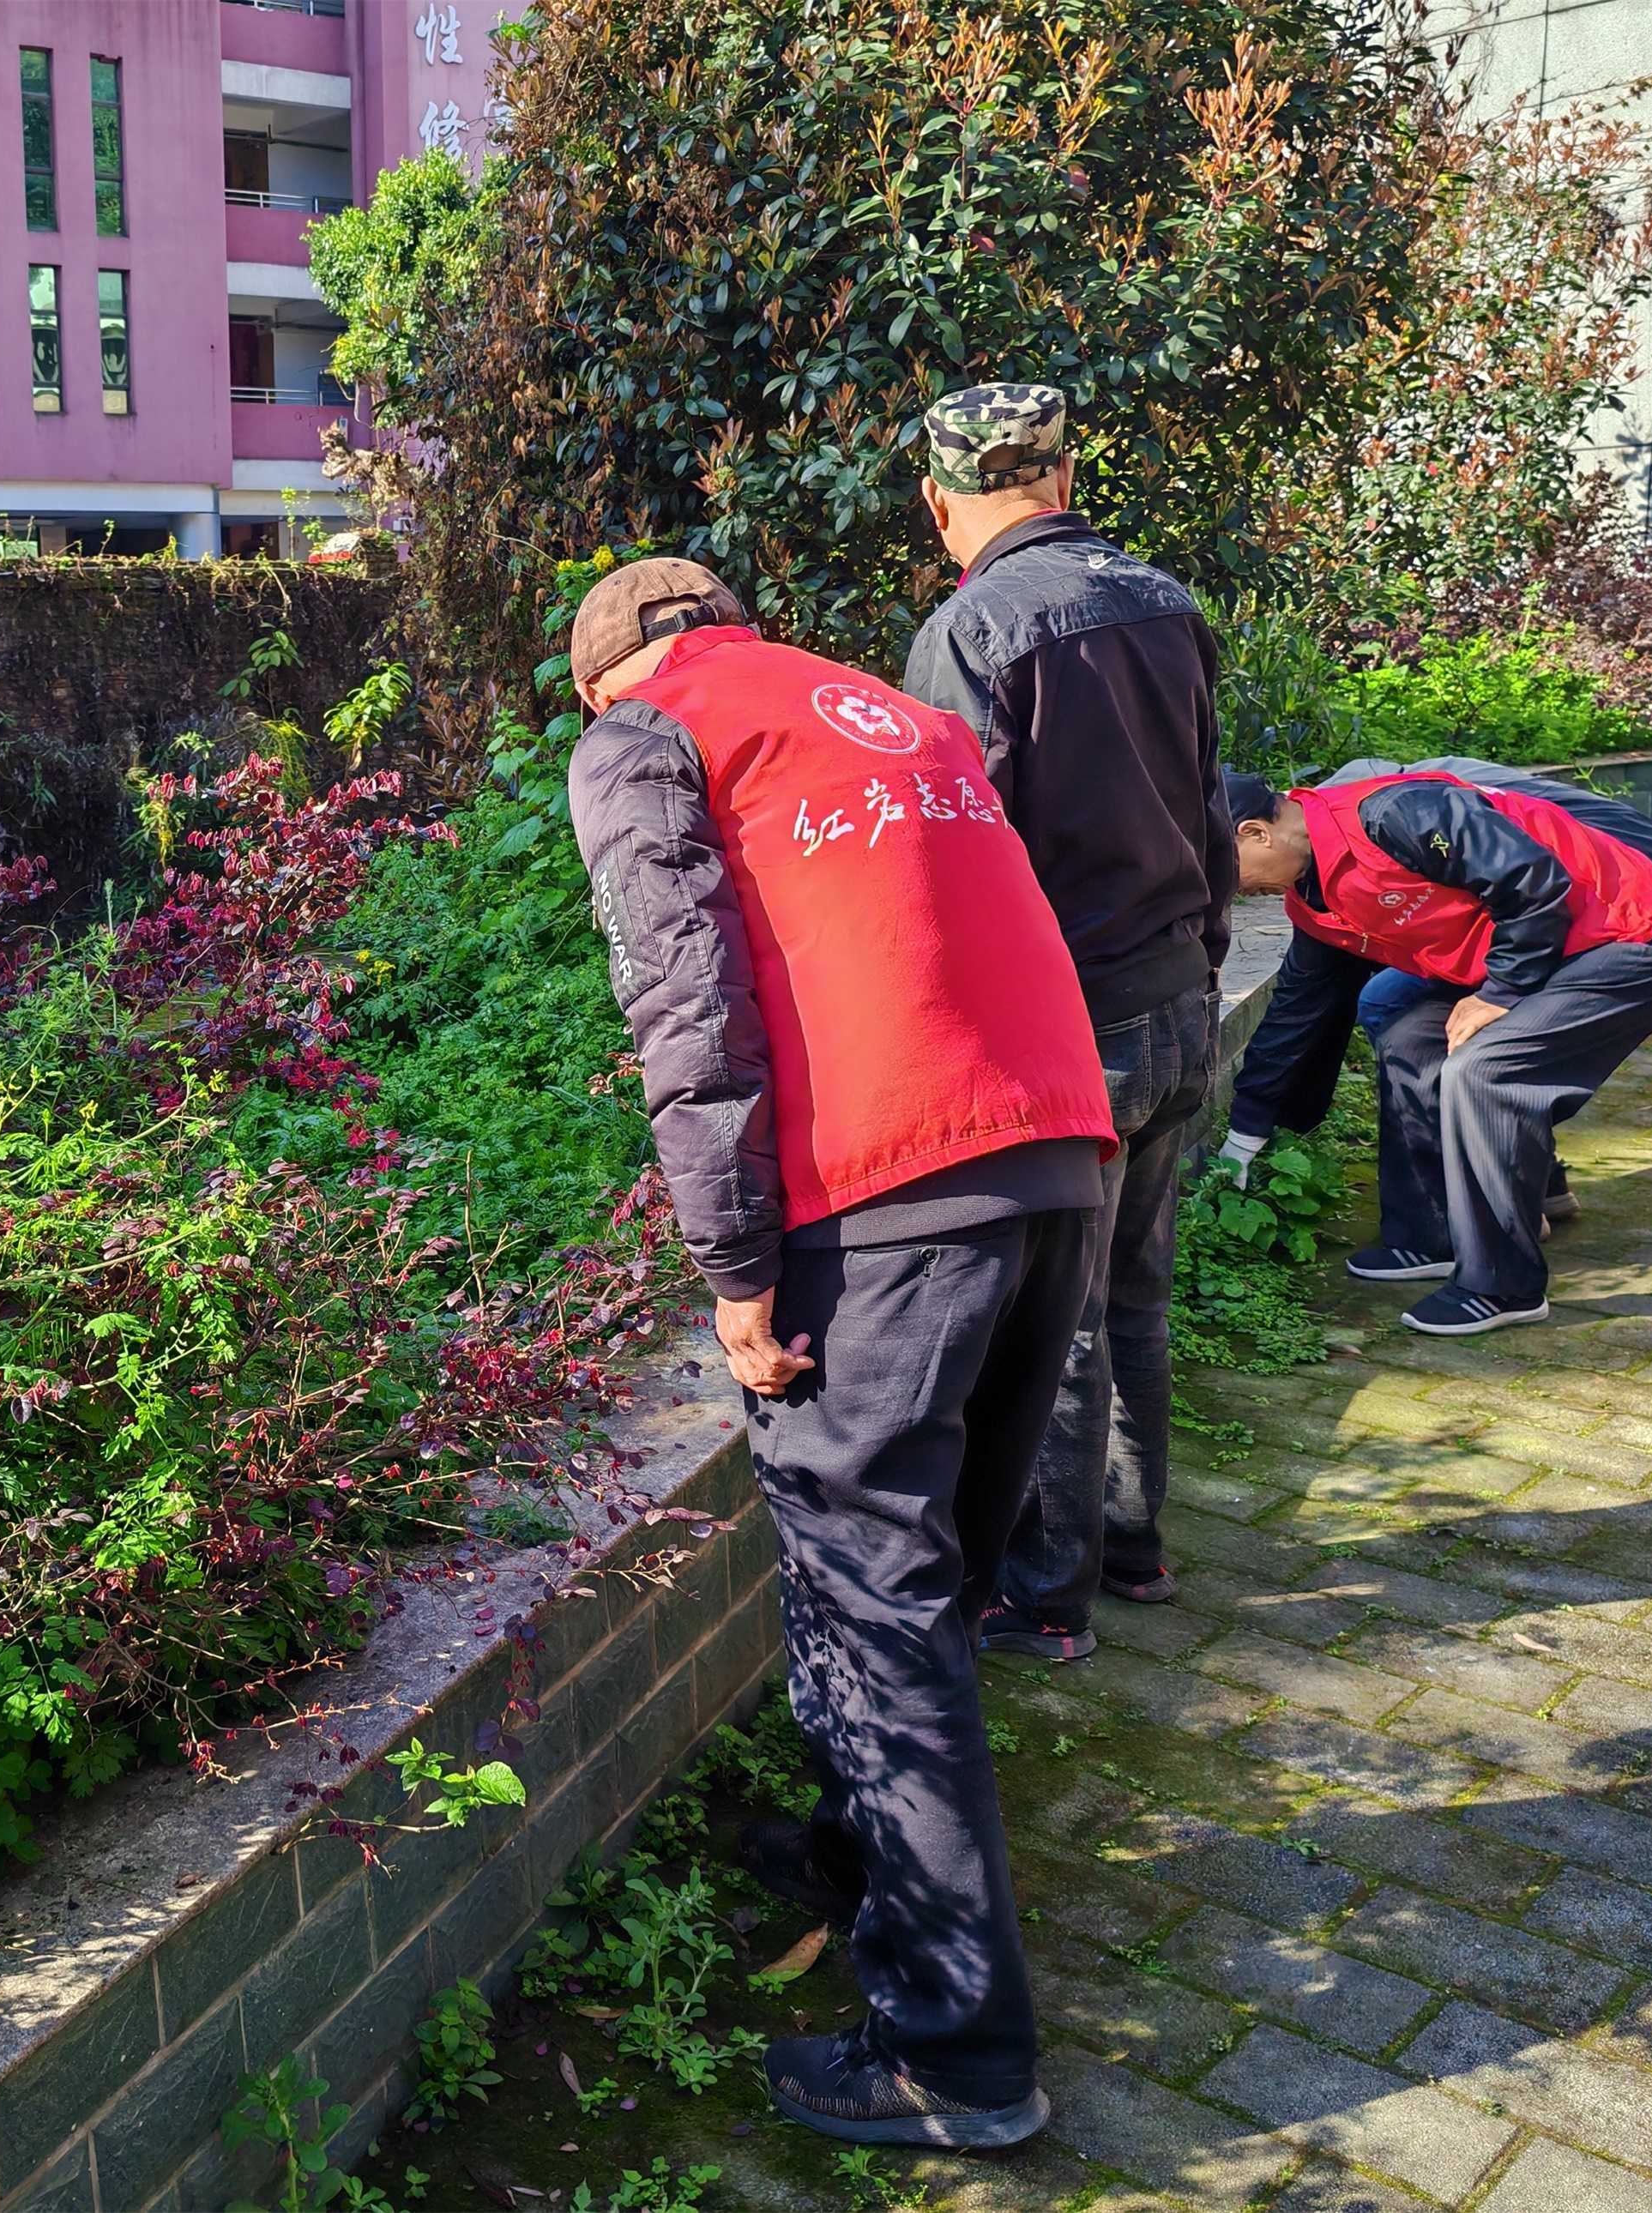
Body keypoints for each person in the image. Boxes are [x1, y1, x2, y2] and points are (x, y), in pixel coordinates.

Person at [564, 557, 1114, 2149]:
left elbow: (684, 1003)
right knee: (932, 1562)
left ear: (606, 678)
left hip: (887, 1199)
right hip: (1054, 1159)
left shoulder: (645, 733)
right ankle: (852, 1850)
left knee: (883, 1609)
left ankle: (959, 2057)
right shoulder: (881, 709)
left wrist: (733, 1270)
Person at [901, 383, 1235, 1661]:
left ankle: (1047, 1599)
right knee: (1138, 1295)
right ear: (1066, 473)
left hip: (1067, 1035)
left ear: (941, 502)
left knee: (1061, 1325)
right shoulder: (1168, 604)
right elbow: (1208, 813)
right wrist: (1202, 968)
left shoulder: (970, 631)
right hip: (1175, 998)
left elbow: (944, 867)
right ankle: (1135, 1548)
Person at [1223, 766, 1652, 1334]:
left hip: (1632, 935)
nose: (1229, 893)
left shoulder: (1399, 816)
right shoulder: (1314, 902)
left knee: (1484, 1071)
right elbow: (1297, 1013)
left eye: (1222, 874)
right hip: (1536, 949)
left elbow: (1531, 879)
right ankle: (1431, 1236)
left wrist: (1500, 993)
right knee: (1409, 1040)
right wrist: (1244, 1136)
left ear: (1256, 833)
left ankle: (1504, 1284)